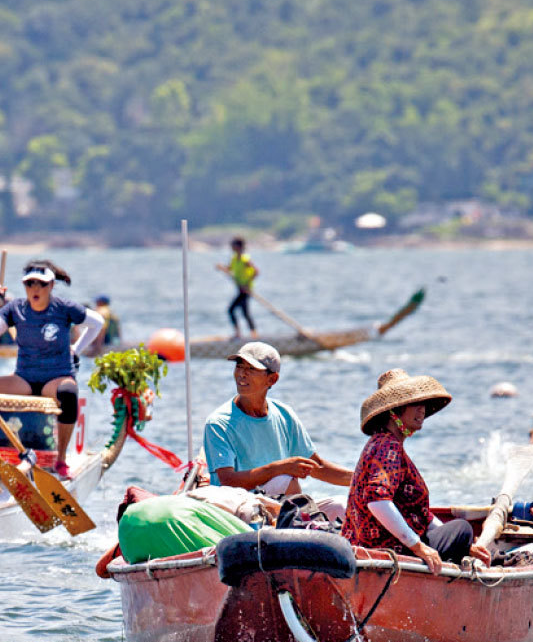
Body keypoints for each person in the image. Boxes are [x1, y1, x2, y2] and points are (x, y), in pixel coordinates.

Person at [342, 369, 491, 574]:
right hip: (388, 552)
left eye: (423, 405)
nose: (422, 411)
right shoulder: (388, 447)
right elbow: (377, 501)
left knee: (460, 536)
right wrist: (418, 547)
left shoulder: (381, 443)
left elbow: (421, 516)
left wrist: (466, 547)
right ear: (395, 410)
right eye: (415, 404)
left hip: (375, 547)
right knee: (463, 529)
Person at [0, 259, 104, 478]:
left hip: (55, 379)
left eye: (41, 284)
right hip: (24, 379)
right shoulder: (15, 308)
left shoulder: (63, 307)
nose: (35, 289)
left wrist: (76, 349)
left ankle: (61, 459)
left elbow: (98, 323)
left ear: (51, 286)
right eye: (30, 284)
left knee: (69, 394)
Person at [201, 342, 351, 498]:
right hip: (239, 507)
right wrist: (279, 468)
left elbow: (316, 467)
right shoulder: (218, 423)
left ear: (272, 379)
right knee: (284, 480)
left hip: (277, 504)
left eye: (251, 369)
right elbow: (227, 481)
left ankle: (300, 518)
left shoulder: (284, 414)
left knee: (338, 505)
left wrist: (361, 478)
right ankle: (299, 519)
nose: (242, 374)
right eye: (239, 366)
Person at [216, 236, 258, 339]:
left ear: (239, 246)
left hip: (246, 290)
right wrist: (221, 267)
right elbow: (230, 269)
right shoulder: (234, 259)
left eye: (233, 245)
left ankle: (251, 334)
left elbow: (256, 272)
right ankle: (246, 333)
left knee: (234, 310)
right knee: (242, 311)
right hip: (240, 289)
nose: (231, 247)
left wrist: (247, 284)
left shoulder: (245, 259)